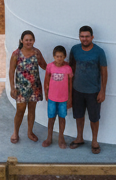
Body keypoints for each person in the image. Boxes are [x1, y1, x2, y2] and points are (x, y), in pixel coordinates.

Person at [69, 25, 108, 154]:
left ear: (92, 37)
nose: (84, 39)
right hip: (77, 90)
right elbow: (71, 69)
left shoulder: (99, 52)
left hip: (93, 92)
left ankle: (94, 141)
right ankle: (79, 138)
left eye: (87, 36)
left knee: (94, 118)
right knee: (78, 116)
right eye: (82, 36)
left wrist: (102, 91)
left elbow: (104, 72)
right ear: (79, 37)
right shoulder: (74, 49)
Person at [8, 30, 46, 143]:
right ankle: (15, 132)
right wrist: (12, 88)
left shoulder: (37, 52)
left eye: (30, 40)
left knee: (32, 110)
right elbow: (11, 71)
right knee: (20, 110)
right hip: (21, 88)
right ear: (22, 41)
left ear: (33, 41)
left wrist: (59, 67)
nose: (28, 42)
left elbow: (44, 66)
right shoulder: (16, 54)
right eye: (26, 40)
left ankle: (30, 132)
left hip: (34, 88)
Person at [42, 45, 73, 149]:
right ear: (54, 56)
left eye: (61, 56)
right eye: (57, 56)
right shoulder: (50, 66)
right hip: (52, 98)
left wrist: (70, 98)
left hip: (63, 99)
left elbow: (70, 84)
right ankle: (49, 138)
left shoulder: (68, 69)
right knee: (51, 118)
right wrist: (46, 94)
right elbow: (46, 80)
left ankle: (61, 138)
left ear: (65, 56)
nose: (59, 58)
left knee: (62, 118)